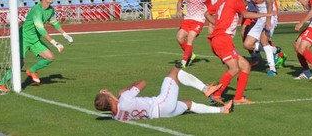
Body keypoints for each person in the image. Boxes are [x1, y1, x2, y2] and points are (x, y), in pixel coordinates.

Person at [205, 0, 275, 105]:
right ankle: (216, 94)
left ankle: (238, 98)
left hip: (219, 38)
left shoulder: (222, 0)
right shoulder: (237, 1)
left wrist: (217, 23)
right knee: (234, 68)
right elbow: (246, 14)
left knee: (245, 66)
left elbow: (207, 14)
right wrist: (265, 15)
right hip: (223, 39)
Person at [0, 0, 74, 92]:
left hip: (34, 39)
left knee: (50, 57)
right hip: (23, 38)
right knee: (19, 63)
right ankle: (1, 84)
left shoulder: (51, 10)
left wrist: (64, 34)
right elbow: (40, 29)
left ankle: (32, 70)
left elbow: (54, 23)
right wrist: (55, 42)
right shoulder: (36, 10)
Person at [93, 65, 233, 121]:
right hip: (161, 104)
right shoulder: (124, 98)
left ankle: (222, 109)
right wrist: (121, 91)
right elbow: (142, 82)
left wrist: (111, 97)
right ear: (110, 99)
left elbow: (115, 107)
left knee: (189, 104)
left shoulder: (117, 116)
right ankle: (206, 89)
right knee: (175, 71)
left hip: (162, 114)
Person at [241, 0, 286, 68]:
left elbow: (270, 3)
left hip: (269, 16)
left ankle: (272, 68)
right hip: (258, 16)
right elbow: (243, 4)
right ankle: (275, 50)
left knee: (264, 40)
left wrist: (268, 20)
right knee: (247, 44)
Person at [176, 0, 212, 67]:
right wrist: (179, 9)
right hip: (187, 18)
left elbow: (210, 10)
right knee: (179, 37)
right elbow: (180, 0)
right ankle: (190, 55)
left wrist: (211, 24)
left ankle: (184, 62)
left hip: (199, 20)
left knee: (190, 38)